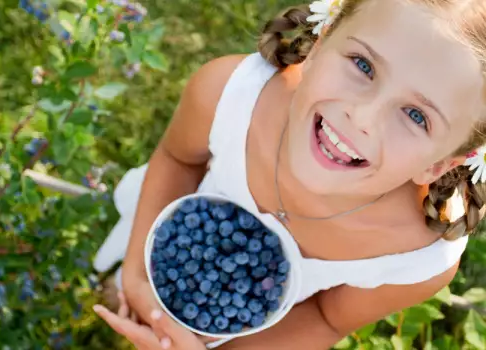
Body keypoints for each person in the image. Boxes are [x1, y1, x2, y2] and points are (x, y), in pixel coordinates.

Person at [92, 0, 486, 348]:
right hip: (166, 232)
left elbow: (325, 319)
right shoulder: (228, 96)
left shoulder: (415, 258)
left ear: (441, 164)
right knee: (125, 288)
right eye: (363, 65)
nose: (361, 118)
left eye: (416, 116)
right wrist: (138, 273)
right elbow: (178, 160)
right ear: (320, 43)